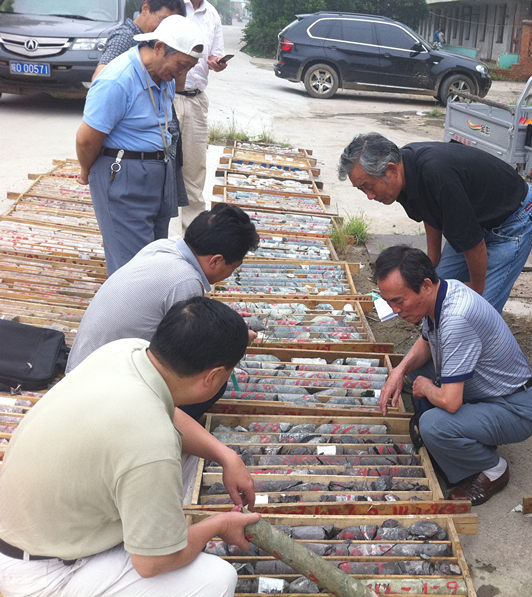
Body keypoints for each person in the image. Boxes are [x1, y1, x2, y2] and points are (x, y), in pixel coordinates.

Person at [0, 297, 260, 597]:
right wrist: (219, 524)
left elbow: (168, 413)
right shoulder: (151, 441)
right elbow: (153, 563)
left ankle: (151, 530)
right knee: (216, 580)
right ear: (213, 377)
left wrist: (226, 456)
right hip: (39, 572)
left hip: (25, 527)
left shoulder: (126, 351)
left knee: (184, 453)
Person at [375, 246, 532, 505]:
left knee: (433, 425)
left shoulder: (456, 318)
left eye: (399, 301)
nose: (395, 310)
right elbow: (426, 342)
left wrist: (426, 387)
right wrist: (399, 370)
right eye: (388, 302)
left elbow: (451, 402)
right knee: (413, 366)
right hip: (488, 390)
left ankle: (492, 468)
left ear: (426, 285)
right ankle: (466, 437)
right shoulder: (443, 290)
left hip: (514, 408)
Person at [66, 203, 259, 419]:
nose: (230, 274)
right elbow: (192, 351)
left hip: (81, 368)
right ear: (216, 260)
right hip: (100, 391)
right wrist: (237, 339)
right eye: (233, 268)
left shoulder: (164, 247)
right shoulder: (185, 282)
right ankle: (158, 424)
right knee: (210, 381)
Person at [339, 133, 532, 313]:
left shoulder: (436, 174)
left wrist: (476, 288)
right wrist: (432, 261)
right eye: (362, 190)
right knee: (434, 292)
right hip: (475, 217)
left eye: (368, 186)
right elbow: (430, 212)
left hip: (514, 219)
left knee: (478, 310)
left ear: (391, 170)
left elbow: (473, 243)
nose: (369, 196)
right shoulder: (404, 173)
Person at [76, 15, 204, 274]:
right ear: (159, 47)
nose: (183, 73)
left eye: (189, 67)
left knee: (153, 259)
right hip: (123, 176)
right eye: (181, 64)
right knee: (131, 269)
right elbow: (86, 139)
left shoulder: (164, 76)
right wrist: (86, 170)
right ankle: (124, 302)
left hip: (158, 176)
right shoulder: (117, 79)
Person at [175, 0, 228, 233]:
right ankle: (159, 231)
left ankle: (192, 233)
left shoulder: (212, 14)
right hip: (168, 95)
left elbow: (216, 53)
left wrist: (216, 62)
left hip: (196, 99)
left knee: (194, 170)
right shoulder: (174, 5)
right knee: (160, 164)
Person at [91, 0, 186, 80]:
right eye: (163, 20)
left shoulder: (153, 40)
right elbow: (100, 79)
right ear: (145, 8)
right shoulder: (124, 38)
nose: (166, 28)